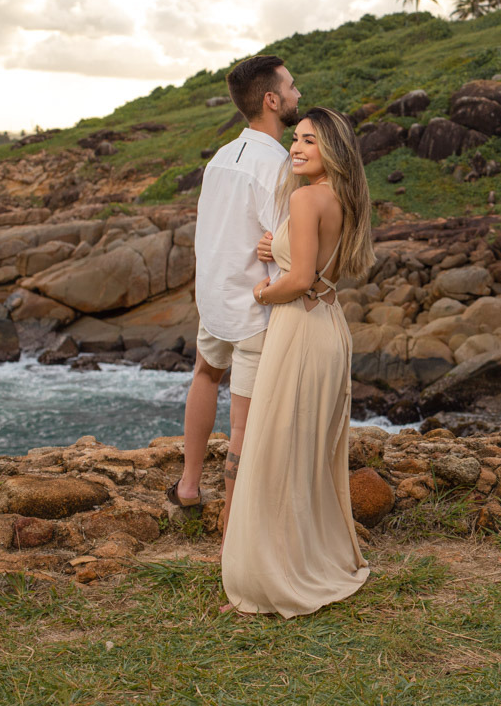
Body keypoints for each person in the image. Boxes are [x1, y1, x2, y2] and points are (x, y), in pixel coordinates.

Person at [221, 107, 376, 617]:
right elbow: (315, 262)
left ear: (330, 147)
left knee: (277, 454)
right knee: (309, 457)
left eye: (310, 140)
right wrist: (279, 247)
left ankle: (276, 573)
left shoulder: (306, 197)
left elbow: (300, 278)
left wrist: (265, 290)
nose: (297, 147)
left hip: (300, 328)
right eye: (296, 138)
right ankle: (309, 556)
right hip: (329, 327)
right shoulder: (341, 197)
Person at [167, 54, 301, 543]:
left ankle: (187, 486)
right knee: (243, 422)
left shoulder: (220, 157)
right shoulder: (279, 166)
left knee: (204, 375)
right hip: (255, 307)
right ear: (271, 100)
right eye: (291, 86)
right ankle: (232, 530)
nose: (298, 94)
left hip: (214, 298)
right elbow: (290, 246)